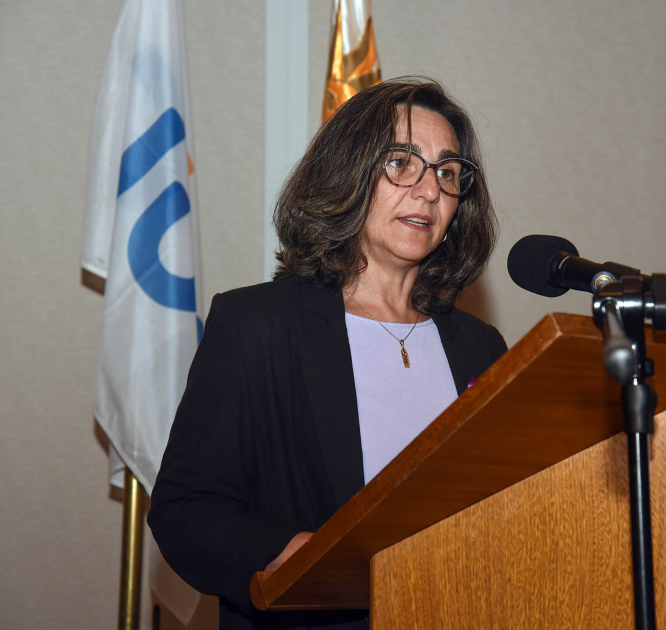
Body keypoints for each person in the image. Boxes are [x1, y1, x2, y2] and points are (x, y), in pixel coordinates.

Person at [148, 78, 506, 630]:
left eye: (448, 171)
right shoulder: (258, 327)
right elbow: (186, 509)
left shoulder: (481, 347)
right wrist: (293, 553)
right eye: (401, 162)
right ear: (349, 172)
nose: (430, 191)